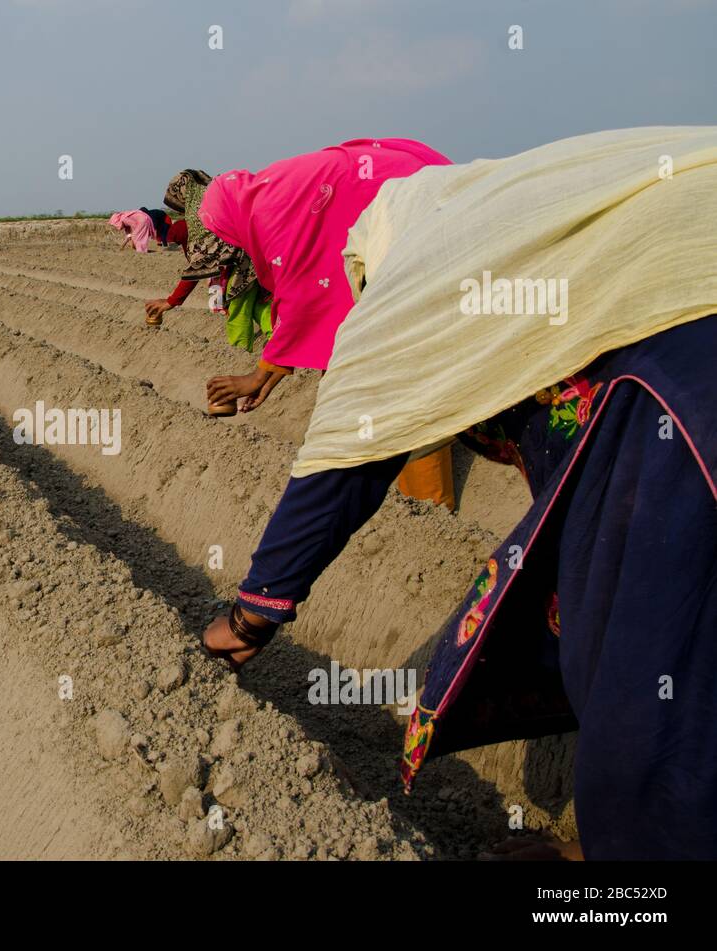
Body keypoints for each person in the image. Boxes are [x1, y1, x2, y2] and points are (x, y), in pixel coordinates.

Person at [200, 126, 717, 860]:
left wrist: (251, 615)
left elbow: (347, 457)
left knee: (651, 696)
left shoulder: (410, 276)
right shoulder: (497, 212)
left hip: (681, 404)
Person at [197, 140, 456, 503]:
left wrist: (258, 376)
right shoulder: (272, 193)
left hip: (414, 226)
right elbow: (317, 288)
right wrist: (269, 375)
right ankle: (376, 482)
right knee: (355, 370)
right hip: (421, 204)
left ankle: (427, 507)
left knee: (398, 377)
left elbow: (306, 295)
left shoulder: (271, 211)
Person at [143, 169, 273, 352]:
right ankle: (284, 349)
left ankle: (239, 355)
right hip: (260, 259)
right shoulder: (221, 203)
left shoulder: (200, 219)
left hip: (241, 268)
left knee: (238, 313)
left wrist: (171, 301)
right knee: (260, 307)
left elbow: (199, 265)